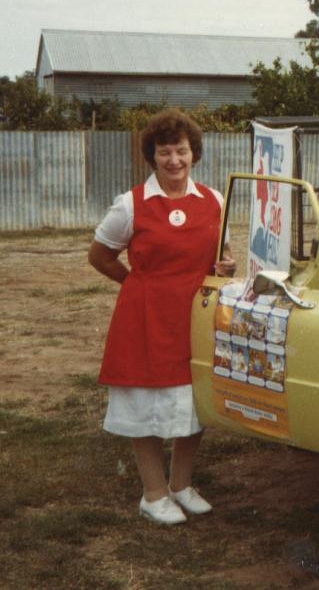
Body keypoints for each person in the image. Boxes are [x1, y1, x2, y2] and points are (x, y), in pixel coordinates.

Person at [88, 109, 235, 525]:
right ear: (152, 157)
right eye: (165, 152)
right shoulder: (130, 204)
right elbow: (99, 256)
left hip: (196, 318)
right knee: (146, 405)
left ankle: (181, 486)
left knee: (194, 403)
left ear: (194, 154)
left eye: (182, 151)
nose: (174, 160)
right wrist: (138, 285)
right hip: (146, 318)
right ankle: (153, 495)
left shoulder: (214, 201)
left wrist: (225, 268)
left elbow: (221, 258)